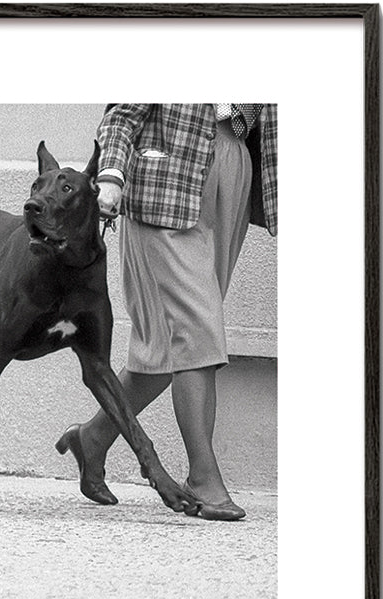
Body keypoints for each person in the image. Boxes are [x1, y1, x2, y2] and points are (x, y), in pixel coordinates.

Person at [59, 103, 278, 521]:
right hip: (166, 176)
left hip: (234, 166)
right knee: (198, 333)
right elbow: (122, 114)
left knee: (166, 348)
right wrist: (109, 178)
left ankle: (93, 438)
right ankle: (203, 479)